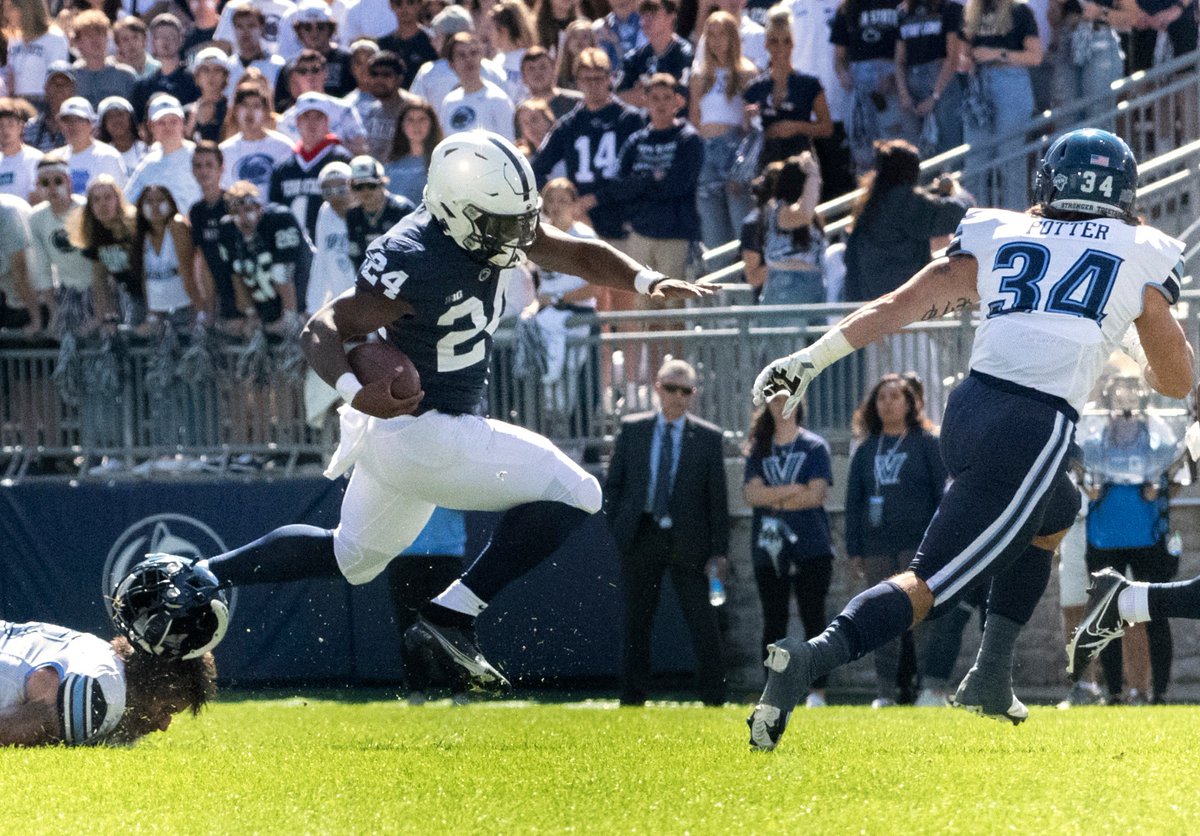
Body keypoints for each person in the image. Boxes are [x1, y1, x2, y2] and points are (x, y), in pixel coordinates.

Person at [123, 131, 711, 695]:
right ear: (457, 209)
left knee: (351, 556)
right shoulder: (414, 256)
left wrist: (645, 277)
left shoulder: (485, 223)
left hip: (398, 440)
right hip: (428, 431)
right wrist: (353, 390)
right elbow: (321, 327)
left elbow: (574, 252)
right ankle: (453, 613)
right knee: (578, 492)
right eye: (502, 223)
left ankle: (204, 573)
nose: (517, 235)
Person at [746, 128, 1193, 751]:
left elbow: (900, 302)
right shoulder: (1141, 251)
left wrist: (809, 359)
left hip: (970, 409)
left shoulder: (999, 229)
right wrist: (1137, 351)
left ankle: (990, 673)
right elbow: (1177, 381)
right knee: (930, 584)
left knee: (1058, 508)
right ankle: (810, 659)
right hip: (1032, 425)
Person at [605, 359, 729, 706]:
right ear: (657, 388)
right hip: (642, 533)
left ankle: (714, 697)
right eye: (671, 388)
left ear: (693, 394)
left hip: (689, 539)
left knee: (702, 620)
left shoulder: (707, 438)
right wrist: (618, 526)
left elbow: (717, 499)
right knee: (637, 620)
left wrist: (719, 551)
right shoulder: (634, 429)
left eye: (685, 390)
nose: (677, 396)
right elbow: (614, 485)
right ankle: (632, 698)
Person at [1072, 374, 1182, 703]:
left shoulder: (1158, 435)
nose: (1126, 402)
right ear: (1107, 400)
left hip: (1148, 536)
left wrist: (1160, 488)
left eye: (1132, 395)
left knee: (1156, 613)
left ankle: (1159, 693)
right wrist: (1088, 486)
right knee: (1106, 616)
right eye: (1119, 396)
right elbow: (1077, 463)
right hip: (1105, 536)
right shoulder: (1094, 438)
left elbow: (1177, 471)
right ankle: (1114, 693)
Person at [845, 373, 946, 708]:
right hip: (876, 547)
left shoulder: (926, 444)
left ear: (909, 403)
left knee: (921, 618)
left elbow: (942, 496)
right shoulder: (866, 449)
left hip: (918, 547)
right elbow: (854, 502)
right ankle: (885, 693)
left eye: (894, 396)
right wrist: (854, 550)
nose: (887, 403)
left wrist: (940, 543)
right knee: (882, 618)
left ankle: (928, 690)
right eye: (881, 397)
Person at [743, 389, 835, 708]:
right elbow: (751, 496)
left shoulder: (814, 446)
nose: (781, 405)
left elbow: (816, 495)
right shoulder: (759, 448)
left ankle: (817, 692)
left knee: (814, 619)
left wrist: (773, 497)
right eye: (775, 400)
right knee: (774, 621)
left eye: (787, 399)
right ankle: (774, 692)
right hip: (768, 548)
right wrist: (793, 489)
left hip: (812, 546)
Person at [0, 618, 216, 747]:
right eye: (167, 709)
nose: (164, 725)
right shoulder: (106, 691)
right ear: (154, 683)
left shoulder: (106, 661)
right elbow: (23, 726)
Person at [842, 139, 971, 303]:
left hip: (872, 297)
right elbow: (959, 213)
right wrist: (954, 189)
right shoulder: (904, 201)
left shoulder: (870, 202)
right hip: (900, 299)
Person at [959, 0, 1042, 211]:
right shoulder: (972, 11)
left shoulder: (1020, 11)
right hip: (979, 84)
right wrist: (967, 59)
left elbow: (1035, 56)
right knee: (975, 160)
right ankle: (973, 218)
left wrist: (997, 53)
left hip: (1011, 80)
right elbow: (964, 51)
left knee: (1010, 158)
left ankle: (1014, 217)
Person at [689, 10, 757, 251]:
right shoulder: (700, 76)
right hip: (706, 149)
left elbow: (752, 119)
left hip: (734, 148)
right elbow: (694, 118)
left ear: (733, 38)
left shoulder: (746, 72)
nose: (716, 41)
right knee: (712, 228)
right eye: (712, 35)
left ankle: (748, 270)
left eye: (722, 35)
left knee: (741, 220)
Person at [741, 7, 832, 170]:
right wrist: (750, 120)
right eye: (774, 41)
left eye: (786, 41)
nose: (780, 48)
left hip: (801, 164)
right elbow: (745, 132)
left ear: (793, 43)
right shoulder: (755, 88)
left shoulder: (809, 84)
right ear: (766, 44)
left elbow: (826, 128)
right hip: (766, 165)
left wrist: (796, 127)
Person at [216, 179, 305, 331]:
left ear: (259, 208)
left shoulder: (279, 219)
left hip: (300, 288)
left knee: (279, 270)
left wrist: (289, 317)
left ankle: (291, 318)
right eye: (236, 212)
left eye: (248, 210)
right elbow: (235, 276)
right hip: (265, 296)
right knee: (239, 267)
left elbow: (286, 271)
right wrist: (251, 315)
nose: (243, 217)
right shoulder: (227, 229)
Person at [269, 91, 352, 243]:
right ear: (297, 122)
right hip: (293, 248)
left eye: (318, 117)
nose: (311, 123)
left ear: (327, 122)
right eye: (306, 116)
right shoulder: (283, 167)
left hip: (332, 244)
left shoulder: (342, 160)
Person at [29, 158, 92, 337]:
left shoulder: (87, 210)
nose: (52, 188)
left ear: (69, 182)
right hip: (66, 292)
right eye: (45, 183)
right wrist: (54, 313)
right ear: (38, 187)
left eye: (58, 181)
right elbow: (43, 270)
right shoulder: (36, 219)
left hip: (97, 287)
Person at [894, 0, 964, 155]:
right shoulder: (903, 12)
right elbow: (899, 59)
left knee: (949, 148)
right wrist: (903, 93)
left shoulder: (950, 9)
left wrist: (935, 96)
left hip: (941, 82)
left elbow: (952, 57)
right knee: (916, 150)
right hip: (912, 84)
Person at [132, 183, 203, 331]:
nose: (155, 206)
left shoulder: (177, 226)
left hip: (183, 307)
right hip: (157, 311)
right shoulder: (141, 235)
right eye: (149, 201)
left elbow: (188, 272)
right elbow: (145, 277)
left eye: (160, 200)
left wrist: (199, 310)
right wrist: (151, 313)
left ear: (170, 203)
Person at [758, 152, 824, 309]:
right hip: (786, 286)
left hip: (814, 285)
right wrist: (813, 174)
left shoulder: (815, 216)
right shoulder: (777, 211)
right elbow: (804, 215)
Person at [74, 175, 141, 326]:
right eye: (96, 200)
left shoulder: (136, 226)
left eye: (108, 197)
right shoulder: (94, 233)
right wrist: (104, 317)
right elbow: (99, 278)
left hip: (151, 293)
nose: (103, 204)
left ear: (118, 200)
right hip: (129, 294)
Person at [124, 95, 201, 213]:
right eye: (161, 123)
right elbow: (127, 202)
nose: (168, 127)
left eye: (173, 121)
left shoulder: (199, 156)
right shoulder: (148, 164)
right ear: (151, 126)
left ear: (182, 123)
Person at [189, 140, 236, 324]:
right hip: (219, 288)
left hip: (243, 283)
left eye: (209, 165)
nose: (204, 171)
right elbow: (204, 260)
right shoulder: (197, 211)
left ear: (221, 168)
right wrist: (209, 307)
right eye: (198, 166)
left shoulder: (233, 204)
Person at [614, 0, 694, 108]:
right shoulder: (633, 58)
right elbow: (616, 98)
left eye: (653, 13)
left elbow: (683, 99)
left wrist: (643, 93)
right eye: (643, 13)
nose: (646, 19)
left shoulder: (685, 54)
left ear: (671, 16)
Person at [437, 33, 516, 140]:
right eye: (461, 55)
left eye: (473, 53)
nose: (468, 59)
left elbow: (510, 142)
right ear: (451, 65)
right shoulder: (449, 102)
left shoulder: (498, 99)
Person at [344, 155, 415, 274]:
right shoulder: (353, 215)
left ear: (382, 183)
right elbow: (355, 255)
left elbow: (415, 252)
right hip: (369, 278)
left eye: (371, 185)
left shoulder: (402, 209)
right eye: (359, 187)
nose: (366, 191)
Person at [219, 83, 294, 193]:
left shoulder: (284, 147)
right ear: (235, 111)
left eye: (256, 106)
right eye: (244, 105)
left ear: (266, 112)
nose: (249, 112)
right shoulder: (224, 150)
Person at [52, 96, 127, 195]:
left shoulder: (108, 157)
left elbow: (119, 196)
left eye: (78, 120)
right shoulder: (54, 158)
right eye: (67, 120)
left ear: (91, 124)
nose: (72, 125)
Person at [70, 9, 137, 108]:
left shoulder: (126, 76)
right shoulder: (71, 78)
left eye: (100, 34)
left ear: (107, 38)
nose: (95, 40)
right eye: (89, 35)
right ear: (77, 42)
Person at [384, 99, 442, 207]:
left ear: (432, 124)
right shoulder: (390, 165)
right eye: (410, 120)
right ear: (402, 125)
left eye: (422, 119)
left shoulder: (441, 161)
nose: (416, 125)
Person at [378, 0, 439, 91]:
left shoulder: (431, 42)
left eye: (410, 2)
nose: (404, 8)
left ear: (419, 5)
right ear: (391, 5)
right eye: (398, 3)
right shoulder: (384, 44)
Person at [185, 46, 231, 143]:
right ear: (197, 77)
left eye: (217, 70)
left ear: (225, 76)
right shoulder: (186, 113)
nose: (211, 75)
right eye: (205, 70)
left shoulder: (233, 110)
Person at [0, 97, 42, 203]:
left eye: (10, 124)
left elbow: (37, 197)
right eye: (0, 125)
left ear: (21, 126)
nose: (5, 130)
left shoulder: (35, 159)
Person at [97, 96, 146, 174]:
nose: (116, 120)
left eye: (120, 114)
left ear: (130, 118)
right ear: (104, 124)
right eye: (110, 116)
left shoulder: (146, 150)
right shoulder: (99, 156)